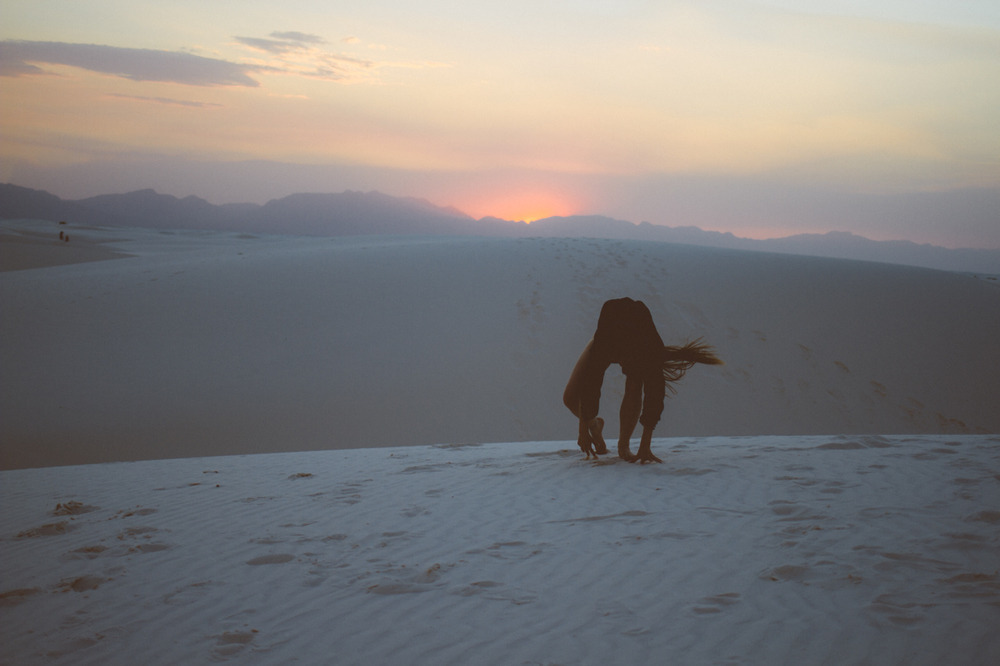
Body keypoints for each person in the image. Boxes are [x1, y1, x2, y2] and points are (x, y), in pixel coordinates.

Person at [563, 297, 722, 463]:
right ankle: (595, 426)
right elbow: (591, 383)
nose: (623, 364)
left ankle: (623, 446)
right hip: (606, 335)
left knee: (635, 384)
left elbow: (655, 392)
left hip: (637, 343)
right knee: (569, 398)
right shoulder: (604, 342)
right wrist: (583, 431)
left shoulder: (647, 345)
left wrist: (645, 445)